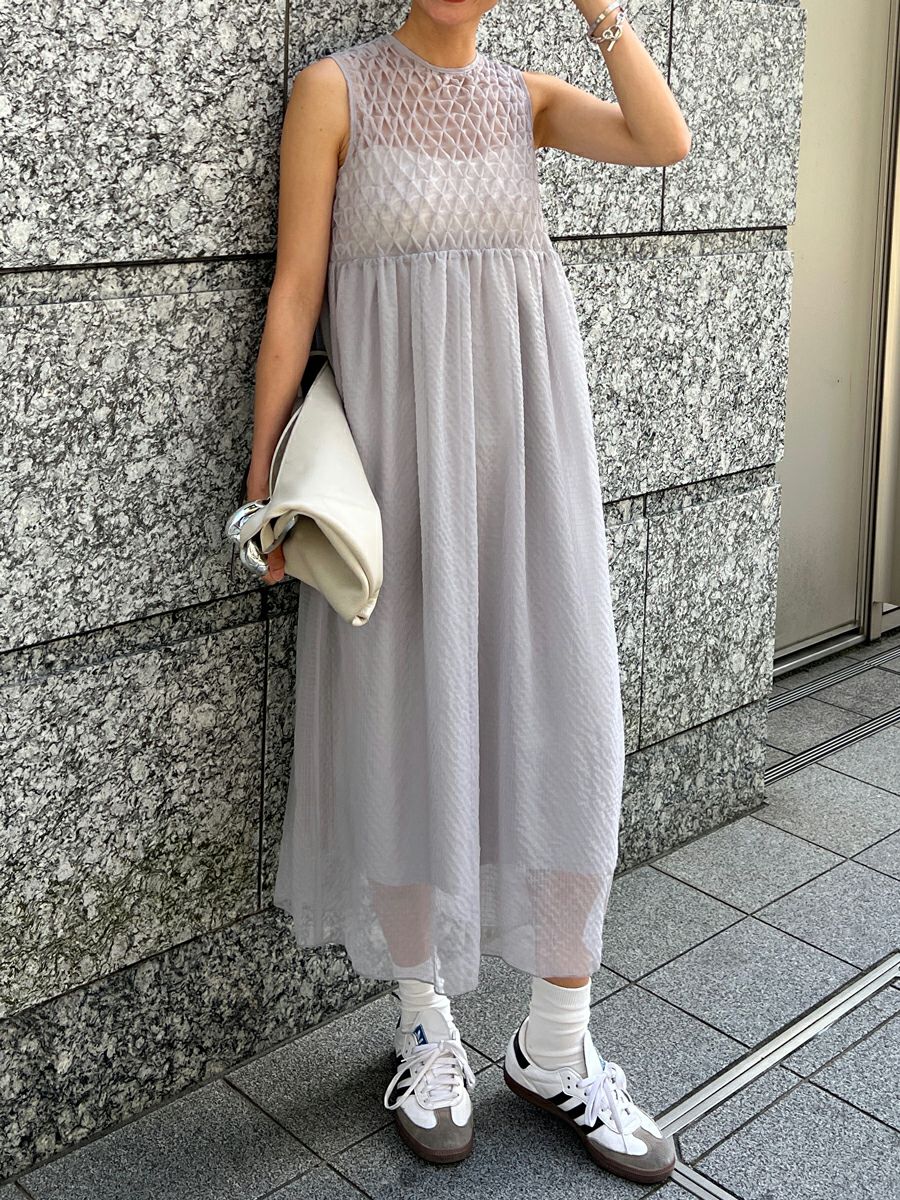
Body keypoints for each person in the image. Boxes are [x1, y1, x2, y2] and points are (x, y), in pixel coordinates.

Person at [243, 0, 690, 1185]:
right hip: (399, 485)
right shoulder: (334, 92)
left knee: (569, 719)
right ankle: (423, 1022)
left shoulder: (524, 100)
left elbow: (664, 141)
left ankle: (557, 1043)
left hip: (529, 474)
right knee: (404, 724)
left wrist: (601, 12)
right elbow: (296, 291)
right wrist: (263, 483)